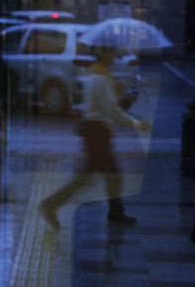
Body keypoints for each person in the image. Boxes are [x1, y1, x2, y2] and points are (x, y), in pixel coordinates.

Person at [39, 47, 151, 227]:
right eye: (112, 54)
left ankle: (53, 204)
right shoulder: (101, 79)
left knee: (88, 177)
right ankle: (113, 211)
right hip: (97, 132)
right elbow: (111, 110)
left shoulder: (96, 76)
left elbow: (102, 105)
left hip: (93, 131)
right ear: (103, 55)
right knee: (111, 175)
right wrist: (137, 124)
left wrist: (116, 92)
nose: (114, 57)